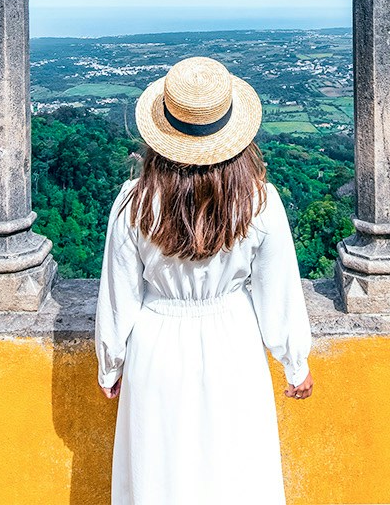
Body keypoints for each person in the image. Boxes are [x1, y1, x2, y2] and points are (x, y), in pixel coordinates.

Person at [95, 56, 313, 505]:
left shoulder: (133, 203)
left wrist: (110, 365)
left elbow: (119, 297)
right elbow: (279, 290)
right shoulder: (258, 200)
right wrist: (295, 362)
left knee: (159, 477)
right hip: (233, 344)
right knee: (234, 475)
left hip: (156, 347)